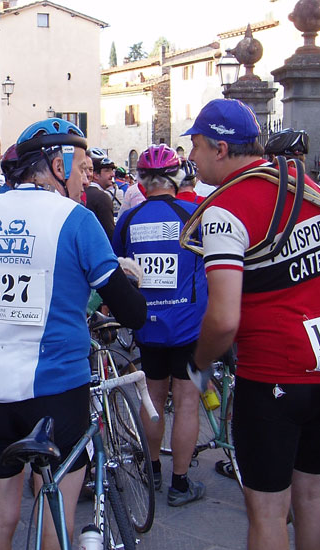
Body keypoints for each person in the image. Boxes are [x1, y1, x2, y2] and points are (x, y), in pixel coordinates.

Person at [0, 118, 147, 550]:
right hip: (55, 388)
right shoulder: (75, 219)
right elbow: (128, 309)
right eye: (82, 167)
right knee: (55, 516)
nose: (86, 178)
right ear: (57, 164)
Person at [184, 98, 320, 550]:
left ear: (221, 147)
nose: (193, 159)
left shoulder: (224, 210)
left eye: (197, 146)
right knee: (312, 490)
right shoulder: (303, 185)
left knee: (266, 508)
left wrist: (197, 364)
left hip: (274, 372)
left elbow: (222, 319)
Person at [112, 144, 208, 506]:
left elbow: (119, 266)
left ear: (142, 180)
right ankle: (180, 484)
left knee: (152, 397)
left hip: (147, 326)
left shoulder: (129, 218)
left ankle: (151, 469)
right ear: (175, 177)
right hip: (190, 328)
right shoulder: (195, 213)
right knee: (187, 402)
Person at [84, 147, 116, 240]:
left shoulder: (76, 193)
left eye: (112, 170)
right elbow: (110, 236)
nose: (112, 174)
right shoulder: (102, 198)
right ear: (96, 175)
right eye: (107, 170)